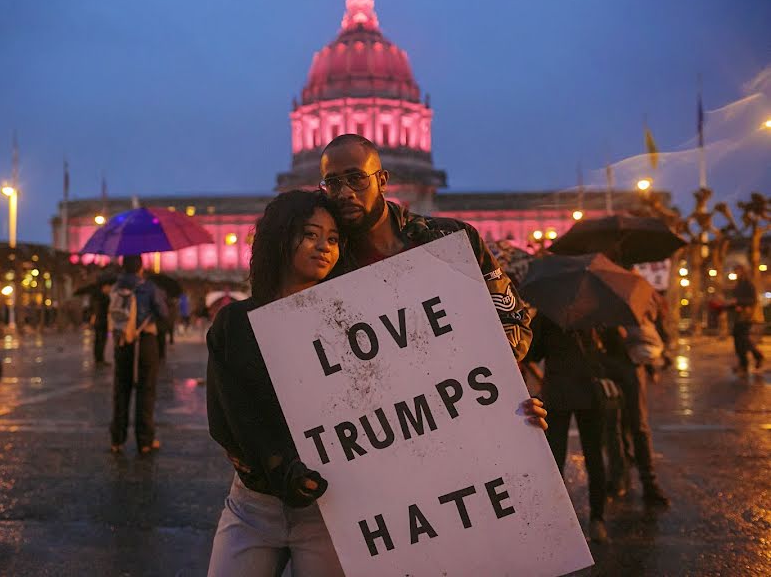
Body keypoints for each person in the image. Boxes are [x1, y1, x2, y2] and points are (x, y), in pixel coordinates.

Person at [206, 191, 547, 576]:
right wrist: (281, 466)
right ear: (280, 237)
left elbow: (425, 396)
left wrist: (505, 410)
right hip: (255, 504)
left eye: (333, 239)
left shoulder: (361, 326)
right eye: (310, 235)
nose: (324, 248)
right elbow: (232, 416)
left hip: (335, 507)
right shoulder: (236, 324)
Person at [318, 134, 533, 361]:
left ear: (382, 181)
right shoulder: (324, 264)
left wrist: (498, 378)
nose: (345, 193)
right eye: (333, 183)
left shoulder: (452, 239)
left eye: (356, 178)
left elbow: (512, 320)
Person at [526, 315, 609, 543]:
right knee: (594, 458)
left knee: (555, 460)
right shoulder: (596, 312)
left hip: (558, 394)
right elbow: (610, 353)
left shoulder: (548, 314)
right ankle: (597, 521)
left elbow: (531, 352)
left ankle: (558, 523)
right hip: (588, 394)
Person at [600, 322, 670, 507]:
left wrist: (650, 366)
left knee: (637, 426)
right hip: (608, 369)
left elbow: (644, 334)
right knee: (614, 428)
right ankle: (620, 477)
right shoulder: (600, 304)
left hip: (629, 368)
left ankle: (648, 482)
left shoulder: (629, 302)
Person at [109, 255, 169, 455]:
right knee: (146, 390)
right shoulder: (148, 287)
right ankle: (145, 440)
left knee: (121, 390)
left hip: (122, 343)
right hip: (144, 342)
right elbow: (163, 314)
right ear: (141, 267)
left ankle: (117, 439)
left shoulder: (116, 287)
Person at [730, 264, 763, 376]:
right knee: (739, 340)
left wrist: (739, 302)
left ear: (743, 272)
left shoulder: (748, 285)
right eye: (735, 271)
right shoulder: (737, 285)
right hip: (739, 316)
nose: (736, 273)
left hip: (747, 317)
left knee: (742, 340)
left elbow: (753, 300)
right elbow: (735, 300)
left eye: (738, 271)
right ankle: (755, 358)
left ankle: (744, 365)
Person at [90, 281, 111, 366]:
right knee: (100, 341)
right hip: (101, 321)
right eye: (108, 287)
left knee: (99, 340)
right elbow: (97, 309)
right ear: (104, 287)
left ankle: (99, 359)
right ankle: (99, 360)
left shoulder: (99, 296)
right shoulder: (103, 297)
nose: (109, 289)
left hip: (101, 321)